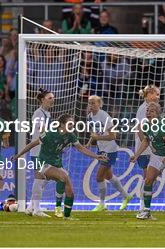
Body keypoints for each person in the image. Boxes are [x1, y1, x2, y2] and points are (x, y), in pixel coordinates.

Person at [12, 114, 107, 220]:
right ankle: (56, 208)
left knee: (70, 190)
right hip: (43, 163)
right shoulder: (50, 134)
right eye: (69, 123)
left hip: (55, 163)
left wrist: (96, 156)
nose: (72, 125)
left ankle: (66, 216)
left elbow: (81, 148)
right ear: (62, 124)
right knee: (63, 176)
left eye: (73, 124)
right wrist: (18, 155)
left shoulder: (70, 135)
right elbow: (32, 144)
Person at [87, 95, 133, 212]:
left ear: (100, 104)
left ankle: (102, 204)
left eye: (93, 103)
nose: (91, 105)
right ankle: (126, 196)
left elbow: (113, 136)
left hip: (110, 149)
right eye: (89, 103)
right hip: (101, 149)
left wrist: (98, 137)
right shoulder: (89, 117)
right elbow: (94, 133)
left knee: (99, 176)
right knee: (108, 176)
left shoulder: (104, 116)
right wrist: (88, 143)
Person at [24, 88, 54, 218]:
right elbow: (41, 129)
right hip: (37, 151)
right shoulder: (38, 113)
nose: (52, 100)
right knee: (40, 178)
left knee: (44, 178)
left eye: (53, 98)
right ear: (42, 100)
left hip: (44, 150)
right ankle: (36, 209)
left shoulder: (47, 114)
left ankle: (31, 206)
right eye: (50, 98)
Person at [134, 85, 160, 212]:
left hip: (151, 148)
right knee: (147, 177)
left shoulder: (152, 108)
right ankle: (142, 204)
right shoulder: (143, 109)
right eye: (157, 94)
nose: (158, 97)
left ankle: (144, 203)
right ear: (149, 94)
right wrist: (147, 144)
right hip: (145, 149)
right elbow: (140, 129)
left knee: (151, 177)